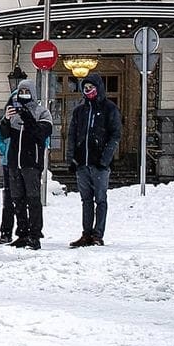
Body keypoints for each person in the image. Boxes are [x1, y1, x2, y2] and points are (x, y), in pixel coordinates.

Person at [67, 73, 122, 248]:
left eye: (91, 88)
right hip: (82, 163)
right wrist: (72, 159)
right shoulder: (79, 111)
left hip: (100, 165)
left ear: (98, 88)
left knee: (101, 199)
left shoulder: (109, 108)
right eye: (85, 88)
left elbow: (115, 135)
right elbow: (72, 136)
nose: (88, 90)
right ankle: (86, 233)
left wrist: (105, 159)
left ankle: (98, 234)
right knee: (86, 200)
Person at [0, 79, 53, 250]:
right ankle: (22, 233)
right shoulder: (13, 112)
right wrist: (7, 120)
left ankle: (35, 235)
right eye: (20, 92)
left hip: (31, 163)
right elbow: (3, 134)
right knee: (17, 199)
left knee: (33, 199)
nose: (23, 95)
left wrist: (27, 117)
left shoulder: (42, 112)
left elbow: (41, 134)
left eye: (26, 92)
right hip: (15, 163)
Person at [0, 91, 17, 244]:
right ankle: (6, 232)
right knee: (8, 200)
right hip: (9, 163)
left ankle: (25, 231)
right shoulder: (6, 118)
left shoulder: (33, 115)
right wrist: (7, 151)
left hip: (26, 163)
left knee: (25, 200)